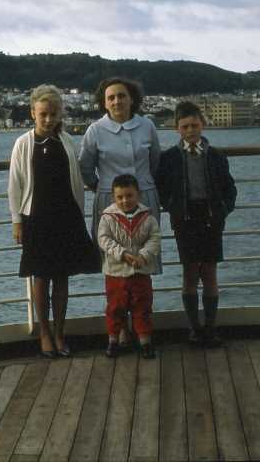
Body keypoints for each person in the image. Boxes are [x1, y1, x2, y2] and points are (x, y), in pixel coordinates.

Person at [9, 84, 99, 358]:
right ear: (33, 113)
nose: (48, 119)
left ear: (60, 114)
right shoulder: (24, 143)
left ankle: (60, 333)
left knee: (62, 277)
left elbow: (78, 177)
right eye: (43, 114)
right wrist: (16, 221)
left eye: (53, 114)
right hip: (36, 218)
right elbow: (15, 184)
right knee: (41, 277)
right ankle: (44, 334)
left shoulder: (66, 141)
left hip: (66, 217)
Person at [79, 77, 162, 347]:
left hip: (144, 197)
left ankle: (142, 326)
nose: (117, 101)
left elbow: (156, 161)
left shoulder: (147, 126)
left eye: (122, 96)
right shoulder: (95, 130)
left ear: (132, 98)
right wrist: (103, 188)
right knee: (114, 265)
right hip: (109, 202)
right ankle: (121, 328)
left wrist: (145, 186)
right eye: (111, 97)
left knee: (142, 260)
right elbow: (85, 167)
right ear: (103, 103)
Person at [156, 101, 237, 347]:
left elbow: (229, 187)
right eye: (185, 126)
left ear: (202, 124)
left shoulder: (216, 156)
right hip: (184, 219)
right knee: (190, 273)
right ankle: (194, 328)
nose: (190, 130)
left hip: (212, 218)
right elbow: (162, 188)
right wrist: (172, 207)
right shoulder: (169, 158)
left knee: (210, 272)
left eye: (194, 125)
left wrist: (223, 210)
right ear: (177, 129)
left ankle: (210, 328)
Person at [98, 174, 161, 359]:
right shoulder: (107, 217)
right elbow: (104, 239)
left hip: (140, 272)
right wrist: (122, 254)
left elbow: (154, 239)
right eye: (120, 197)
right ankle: (113, 341)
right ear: (113, 197)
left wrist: (143, 256)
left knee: (142, 307)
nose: (125, 200)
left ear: (138, 194)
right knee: (115, 309)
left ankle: (145, 342)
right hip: (115, 273)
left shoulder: (148, 217)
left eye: (129, 195)